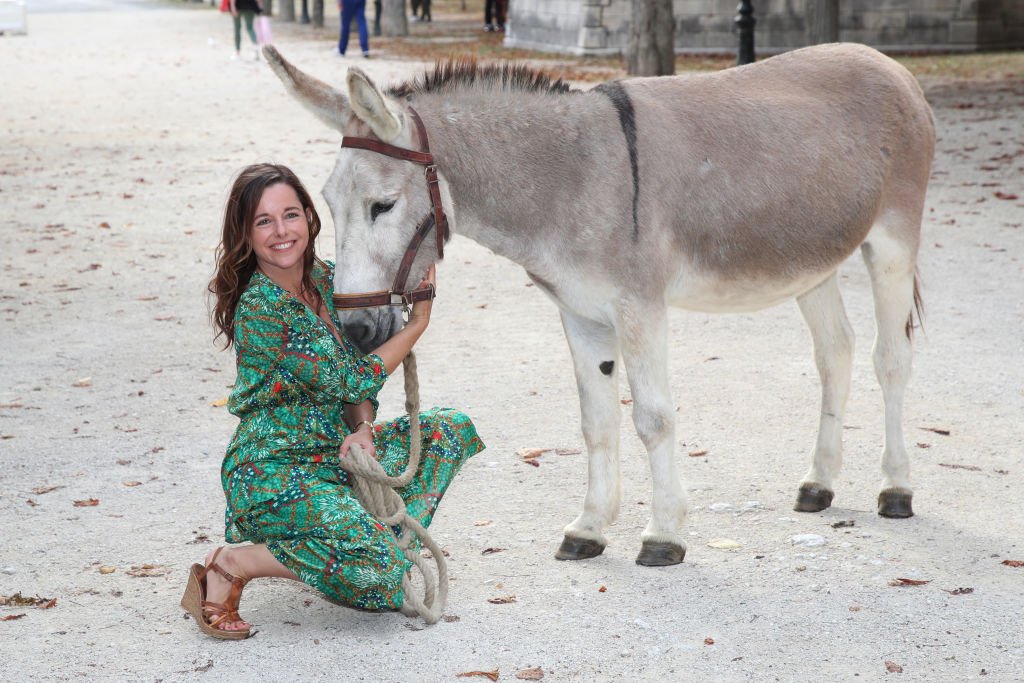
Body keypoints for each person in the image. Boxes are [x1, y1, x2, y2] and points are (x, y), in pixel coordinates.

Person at [181, 163, 485, 639]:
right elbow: (351, 375)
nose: (281, 232)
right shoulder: (260, 308)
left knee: (450, 430)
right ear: (246, 233)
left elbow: (356, 383)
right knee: (384, 576)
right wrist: (416, 324)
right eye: (264, 221)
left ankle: (357, 540)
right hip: (274, 467)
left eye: (290, 215)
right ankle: (233, 563)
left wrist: (362, 428)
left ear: (309, 217)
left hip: (336, 454)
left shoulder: (329, 280)